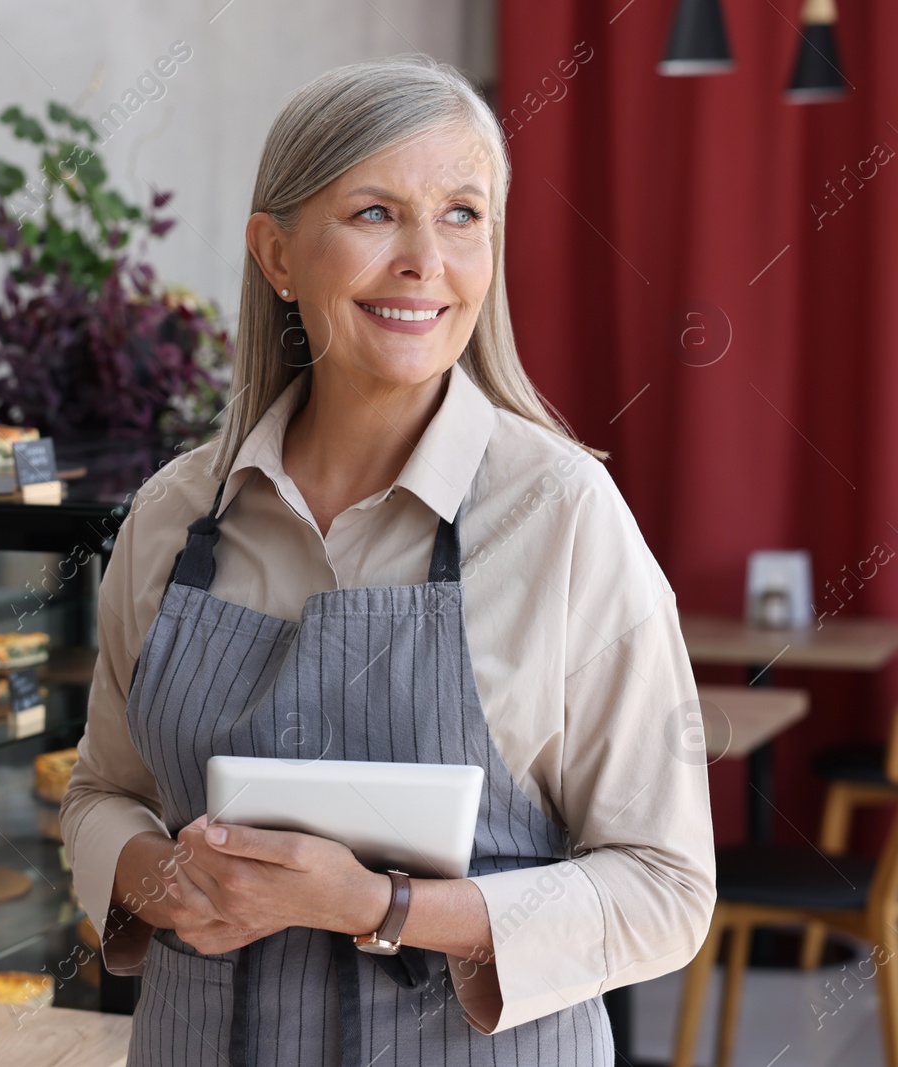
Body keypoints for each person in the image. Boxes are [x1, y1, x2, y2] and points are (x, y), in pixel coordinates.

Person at [59, 54, 716, 1066]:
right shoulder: (173, 513)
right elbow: (103, 791)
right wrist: (159, 877)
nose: (425, 260)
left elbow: (666, 887)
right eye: (374, 212)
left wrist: (382, 903)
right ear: (275, 253)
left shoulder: (561, 514)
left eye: (462, 213)